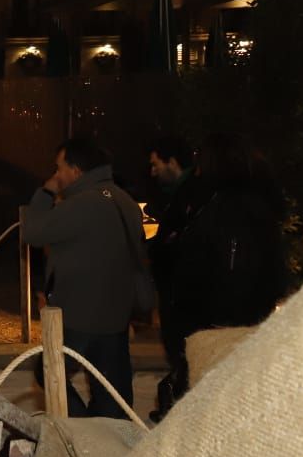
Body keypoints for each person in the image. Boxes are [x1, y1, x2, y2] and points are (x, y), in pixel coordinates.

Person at [21, 136, 145, 420]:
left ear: (76, 170)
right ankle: (109, 438)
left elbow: (33, 231)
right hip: (116, 314)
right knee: (110, 389)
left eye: (59, 168)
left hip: (78, 315)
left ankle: (82, 428)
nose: (56, 175)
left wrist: (46, 191)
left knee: (49, 372)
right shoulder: (124, 201)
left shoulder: (80, 205)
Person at [165, 133, 286, 412]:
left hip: (220, 324)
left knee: (215, 402)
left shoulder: (226, 209)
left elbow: (215, 268)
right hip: (243, 319)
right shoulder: (258, 207)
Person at [144, 135, 210, 418]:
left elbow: (178, 245)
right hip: (179, 292)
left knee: (187, 360)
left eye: (156, 163)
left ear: (172, 161)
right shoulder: (178, 194)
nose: (152, 171)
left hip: (183, 295)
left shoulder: (189, 195)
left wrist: (157, 247)